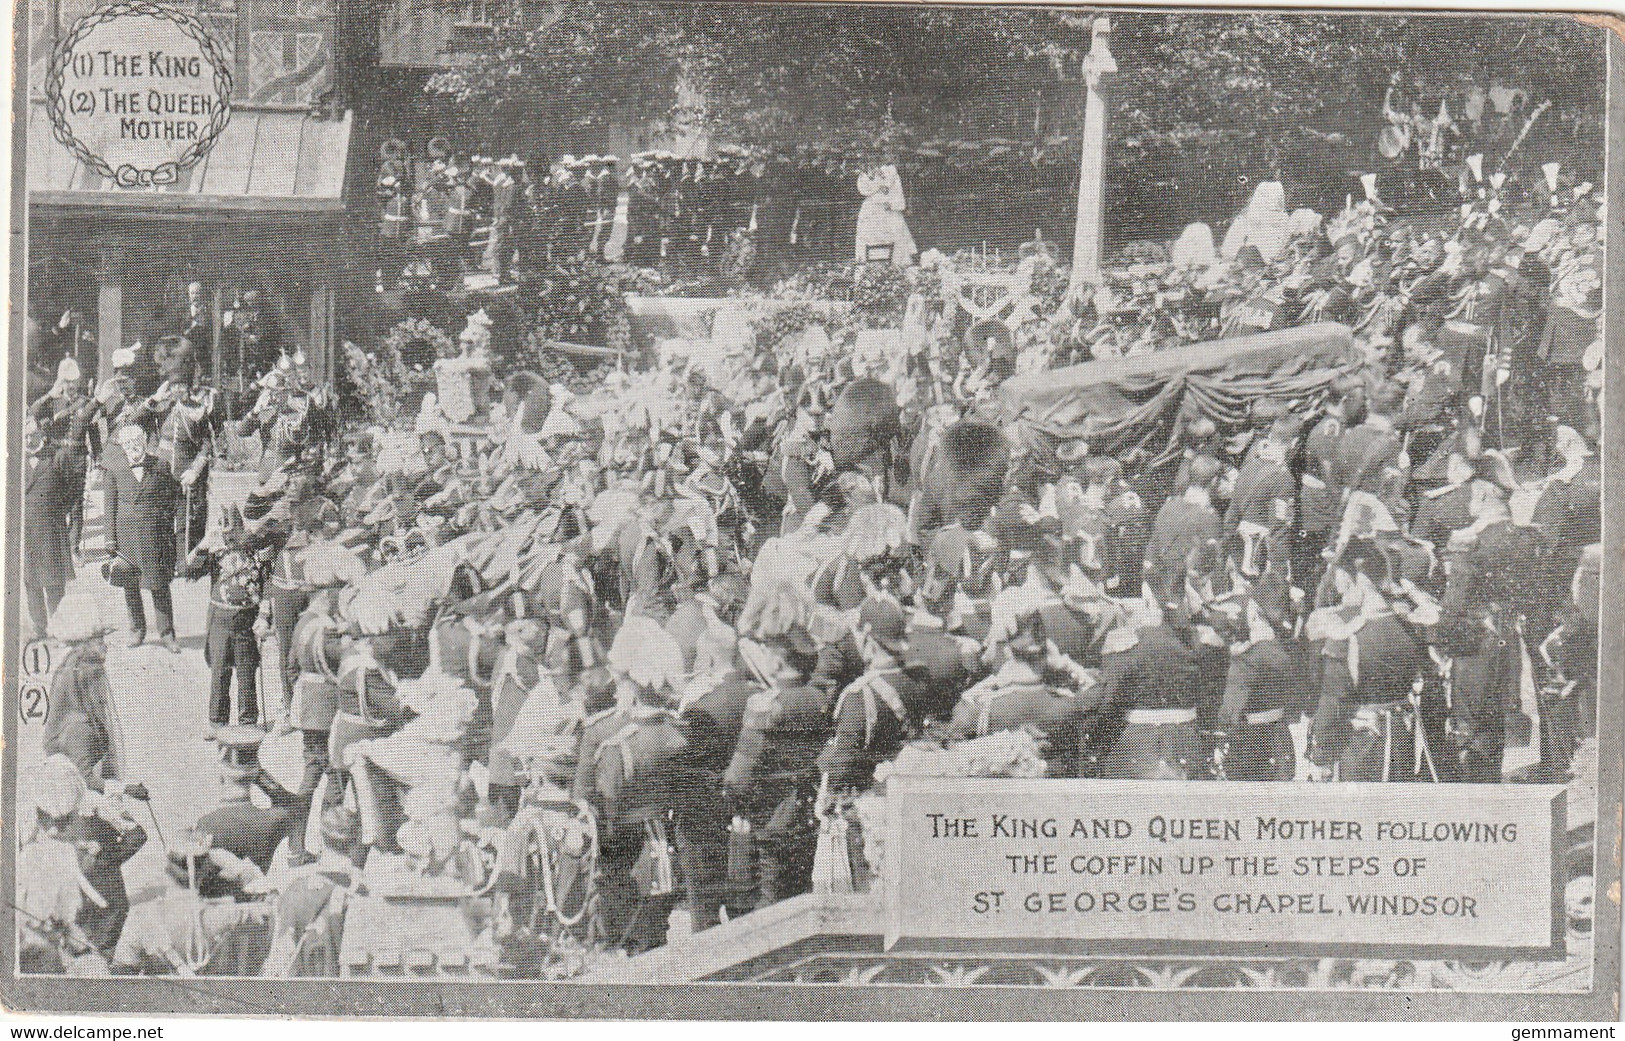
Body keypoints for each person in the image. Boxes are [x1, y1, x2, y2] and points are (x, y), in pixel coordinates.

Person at [104, 424, 181, 652]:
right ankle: (137, 630)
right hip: (126, 535)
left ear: (145, 441)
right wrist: (110, 539)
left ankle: (167, 634)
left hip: (154, 534)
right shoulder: (114, 468)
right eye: (127, 444)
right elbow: (109, 507)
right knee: (130, 584)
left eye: (136, 442)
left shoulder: (160, 465)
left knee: (159, 584)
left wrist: (165, 525)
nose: (132, 447)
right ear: (122, 447)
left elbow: (172, 499)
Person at [24, 417, 78, 640]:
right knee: (31, 583)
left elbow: (73, 490)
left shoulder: (58, 456)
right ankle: (40, 628)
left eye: (33, 434)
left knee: (55, 583)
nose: (29, 440)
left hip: (51, 529)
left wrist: (57, 512)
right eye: (25, 436)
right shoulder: (13, 459)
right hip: (26, 532)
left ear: (41, 434)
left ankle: (58, 626)